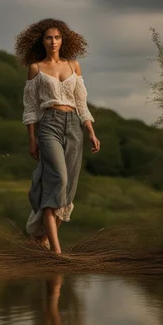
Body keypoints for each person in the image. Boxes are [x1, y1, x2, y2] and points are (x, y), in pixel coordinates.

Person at [15, 18, 100, 254]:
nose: (53, 42)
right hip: (49, 125)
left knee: (68, 190)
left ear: (64, 40)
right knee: (59, 180)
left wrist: (91, 132)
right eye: (48, 38)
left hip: (74, 126)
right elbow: (31, 108)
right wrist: (32, 139)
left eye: (57, 37)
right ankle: (57, 252)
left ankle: (42, 239)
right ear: (41, 41)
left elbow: (82, 104)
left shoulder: (74, 66)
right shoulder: (36, 68)